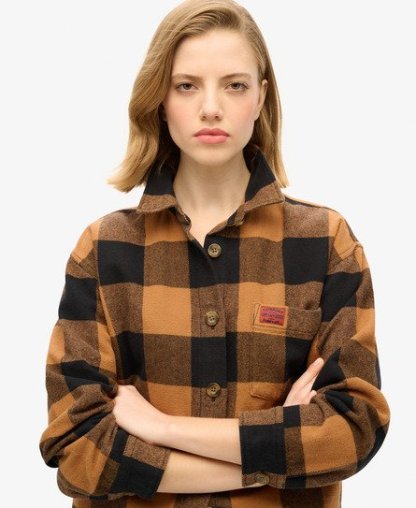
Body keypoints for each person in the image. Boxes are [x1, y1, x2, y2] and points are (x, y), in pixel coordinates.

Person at [39, 0, 390, 506]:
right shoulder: (103, 248)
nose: (210, 107)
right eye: (186, 85)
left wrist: (159, 427)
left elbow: (353, 430)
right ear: (161, 99)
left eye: (234, 85)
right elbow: (77, 449)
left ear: (261, 96)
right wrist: (272, 454)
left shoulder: (325, 241)